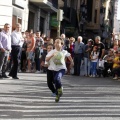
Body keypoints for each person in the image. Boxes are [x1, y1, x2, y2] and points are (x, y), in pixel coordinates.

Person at [45, 37, 74, 102]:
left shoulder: (64, 52)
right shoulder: (52, 51)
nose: (57, 44)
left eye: (58, 42)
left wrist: (72, 62)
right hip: (54, 70)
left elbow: (69, 56)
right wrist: (52, 55)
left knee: (57, 78)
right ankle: (58, 94)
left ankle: (60, 88)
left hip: (61, 69)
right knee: (55, 82)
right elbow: (46, 59)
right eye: (55, 42)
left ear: (62, 44)